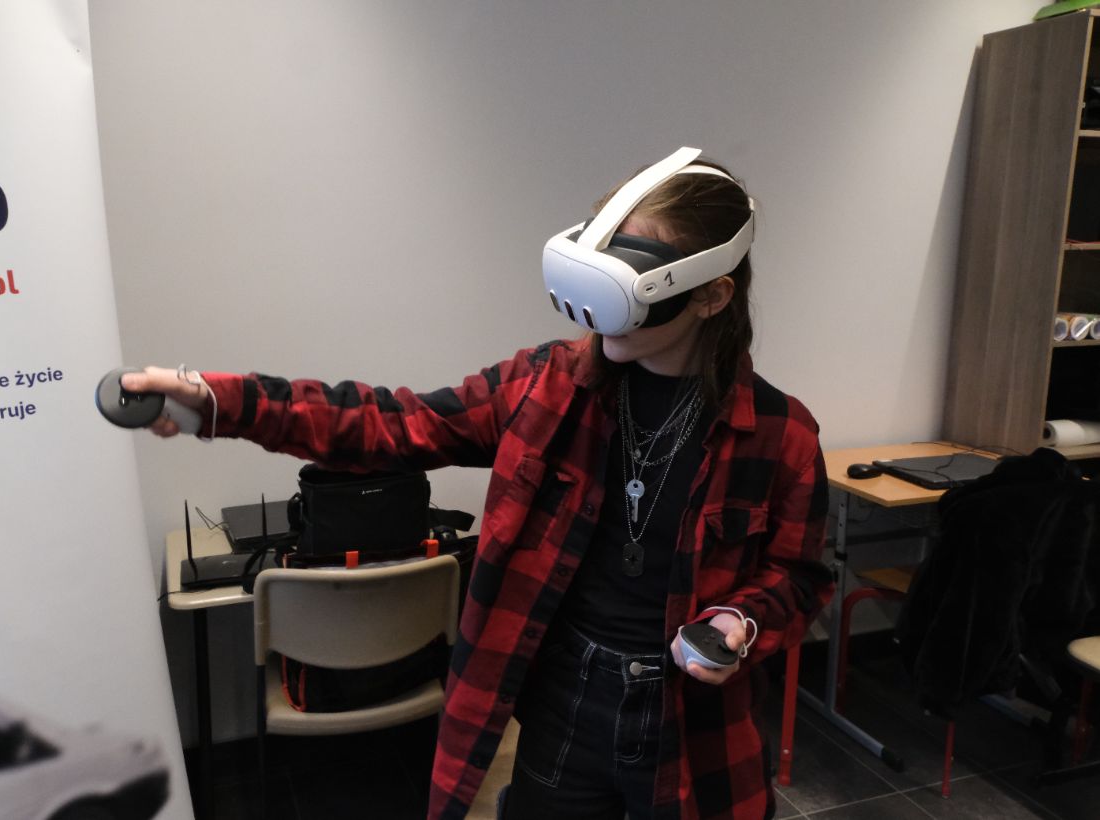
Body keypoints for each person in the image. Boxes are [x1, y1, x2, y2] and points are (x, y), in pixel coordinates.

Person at [125, 147, 832, 820]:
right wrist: (219, 402)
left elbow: (799, 576)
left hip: (693, 724)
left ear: (711, 296)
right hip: (565, 706)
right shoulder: (546, 387)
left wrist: (741, 620)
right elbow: (391, 423)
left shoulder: (783, 436)